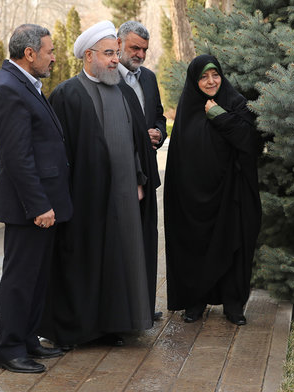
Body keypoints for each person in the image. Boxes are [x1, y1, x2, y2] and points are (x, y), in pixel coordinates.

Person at [38, 20, 153, 347]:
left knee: (118, 260)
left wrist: (139, 179)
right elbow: (55, 154)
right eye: (108, 54)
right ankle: (77, 331)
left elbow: (135, 145)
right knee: (82, 263)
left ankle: (111, 326)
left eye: (116, 53)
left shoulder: (125, 93)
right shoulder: (66, 95)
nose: (115, 60)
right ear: (88, 56)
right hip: (84, 198)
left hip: (123, 197)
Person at [0, 24, 72, 373]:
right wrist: (38, 205)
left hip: (43, 201)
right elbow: (17, 157)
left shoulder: (25, 84)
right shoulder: (8, 89)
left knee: (36, 278)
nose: (54, 57)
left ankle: (27, 339)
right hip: (30, 207)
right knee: (20, 279)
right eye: (50, 51)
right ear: (30, 53)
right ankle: (7, 349)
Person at [164, 54, 262, 326]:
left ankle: (233, 304)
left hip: (231, 193)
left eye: (215, 75)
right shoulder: (187, 109)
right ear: (195, 81)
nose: (210, 81)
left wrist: (220, 116)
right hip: (194, 195)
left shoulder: (236, 103)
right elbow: (180, 155)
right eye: (203, 77)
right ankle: (195, 302)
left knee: (233, 244)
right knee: (197, 245)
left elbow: (249, 141)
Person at [116, 20, 167, 322]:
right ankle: (126, 310)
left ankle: (146, 306)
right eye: (135, 47)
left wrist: (158, 134)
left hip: (149, 174)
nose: (140, 54)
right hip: (123, 176)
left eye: (145, 49)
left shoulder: (148, 78)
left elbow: (158, 116)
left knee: (148, 241)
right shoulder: (107, 78)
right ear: (119, 44)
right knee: (124, 244)